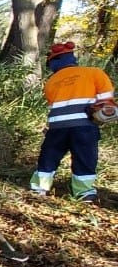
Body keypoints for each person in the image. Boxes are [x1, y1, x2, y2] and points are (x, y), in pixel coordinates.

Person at [30, 41, 115, 202]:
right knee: (85, 157)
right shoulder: (94, 73)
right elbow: (106, 103)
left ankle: (39, 188)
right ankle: (84, 193)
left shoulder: (51, 82)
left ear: (54, 63)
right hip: (84, 126)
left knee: (49, 156)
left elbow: (52, 104)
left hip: (57, 127)